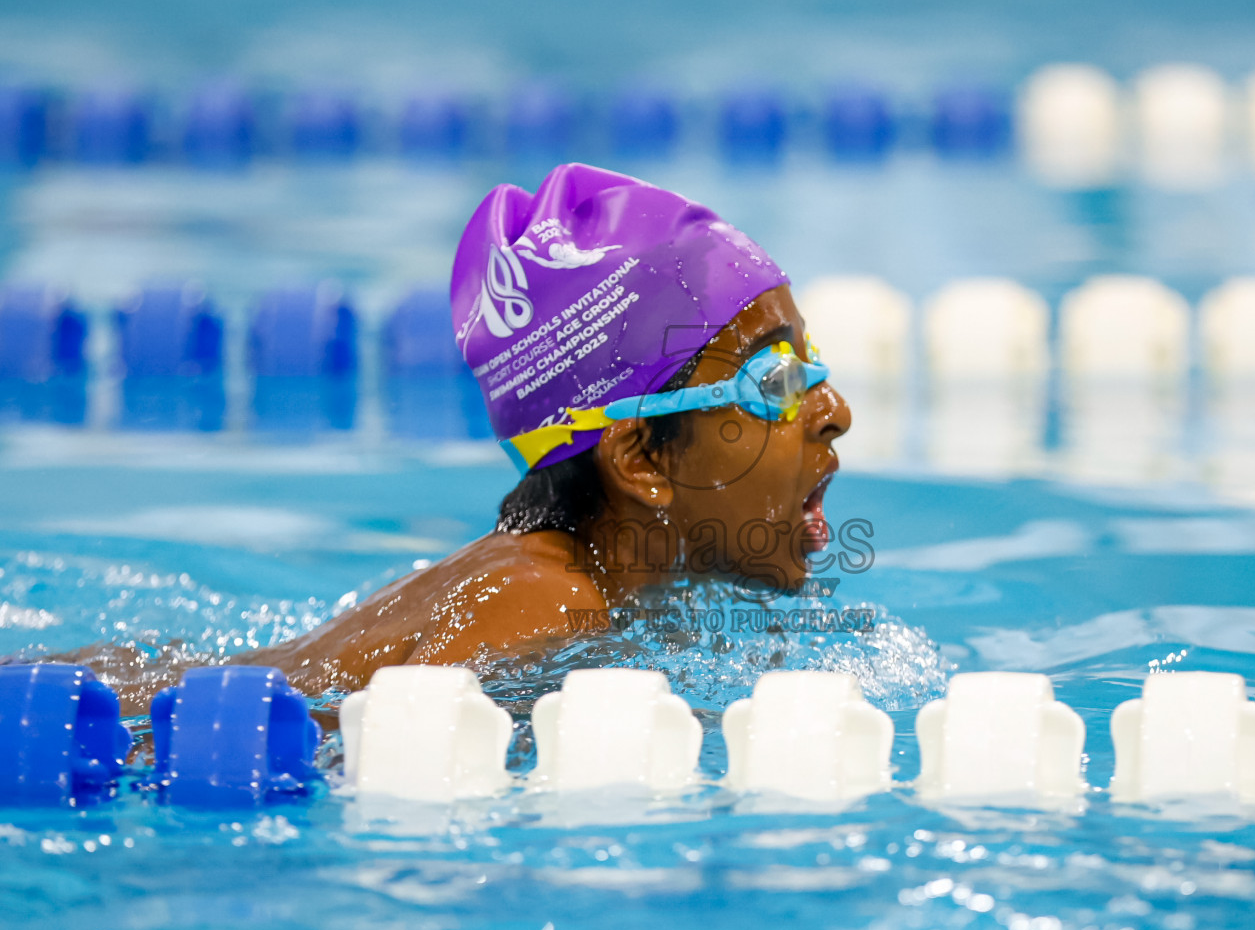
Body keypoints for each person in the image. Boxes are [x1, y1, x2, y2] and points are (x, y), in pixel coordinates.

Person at [198, 164, 851, 703]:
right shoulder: (539, 599)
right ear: (641, 461)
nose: (835, 410)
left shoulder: (637, 595)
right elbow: (378, 778)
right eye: (777, 381)